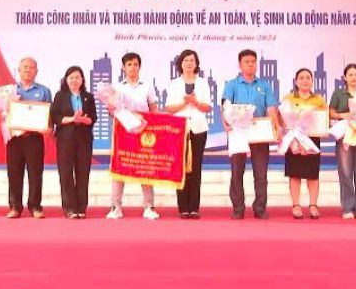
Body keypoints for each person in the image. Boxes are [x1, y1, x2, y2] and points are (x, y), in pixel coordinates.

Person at [222, 49, 279, 220]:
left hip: (259, 131)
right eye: (246, 61)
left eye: (253, 61)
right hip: (238, 132)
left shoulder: (265, 85)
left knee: (261, 173)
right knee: (237, 171)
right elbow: (225, 107)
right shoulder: (231, 84)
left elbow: (271, 109)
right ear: (240, 65)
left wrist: (275, 128)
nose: (250, 64)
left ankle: (260, 208)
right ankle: (238, 208)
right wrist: (225, 124)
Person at [106, 52, 161, 220]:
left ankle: (149, 207)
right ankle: (116, 207)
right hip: (123, 132)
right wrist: (111, 109)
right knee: (119, 169)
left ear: (139, 67)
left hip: (144, 132)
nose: (132, 67)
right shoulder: (117, 87)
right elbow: (112, 112)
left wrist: (157, 126)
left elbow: (153, 109)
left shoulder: (147, 86)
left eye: (135, 64)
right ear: (123, 67)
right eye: (129, 64)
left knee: (146, 169)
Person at [165, 49, 212, 219]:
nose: (189, 63)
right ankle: (183, 207)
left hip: (198, 128)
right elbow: (169, 108)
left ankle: (194, 208)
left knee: (196, 168)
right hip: (179, 129)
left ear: (196, 63)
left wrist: (195, 102)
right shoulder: (174, 84)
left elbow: (207, 107)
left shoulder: (203, 83)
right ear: (181, 64)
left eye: (192, 60)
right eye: (186, 60)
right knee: (181, 168)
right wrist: (184, 103)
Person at [6, 57, 53, 219]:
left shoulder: (44, 91)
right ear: (18, 70)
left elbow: (49, 115)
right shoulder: (10, 91)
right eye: (24, 67)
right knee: (14, 173)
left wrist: (49, 127)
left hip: (34, 138)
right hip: (14, 138)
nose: (28, 70)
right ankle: (15, 207)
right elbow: (0, 113)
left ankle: (35, 206)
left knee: (35, 173)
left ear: (36, 71)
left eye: (31, 67)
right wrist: (0, 116)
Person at [51, 66, 96, 219]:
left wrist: (84, 120)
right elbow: (55, 117)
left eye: (77, 77)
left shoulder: (88, 97)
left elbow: (93, 118)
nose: (74, 80)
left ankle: (81, 207)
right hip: (65, 139)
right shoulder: (60, 96)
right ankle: (69, 208)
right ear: (66, 80)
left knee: (83, 173)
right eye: (71, 77)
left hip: (84, 139)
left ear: (82, 80)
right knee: (66, 173)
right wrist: (72, 119)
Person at [329, 63, 356, 220]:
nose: (354, 77)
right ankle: (347, 207)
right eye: (351, 74)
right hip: (344, 135)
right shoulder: (339, 93)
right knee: (345, 173)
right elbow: (331, 113)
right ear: (345, 77)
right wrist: (343, 115)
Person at [284, 68, 327, 220]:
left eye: (308, 77)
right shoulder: (288, 99)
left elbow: (324, 120)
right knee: (294, 173)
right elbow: (282, 120)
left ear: (312, 80)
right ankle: (296, 205)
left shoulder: (319, 100)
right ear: (296, 81)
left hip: (312, 139)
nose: (305, 80)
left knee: (312, 174)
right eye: (301, 78)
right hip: (294, 139)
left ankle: (313, 205)